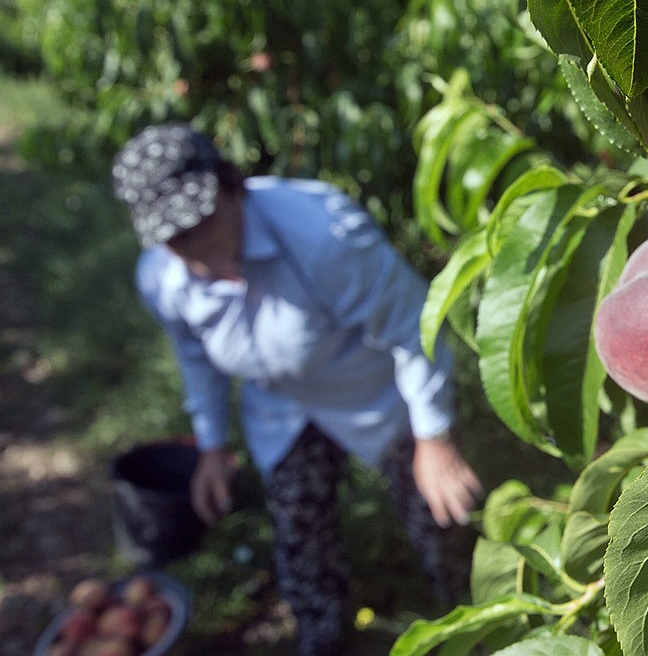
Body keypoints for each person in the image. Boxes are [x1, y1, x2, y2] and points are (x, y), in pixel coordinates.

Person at [111, 123, 483, 656]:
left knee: (442, 515)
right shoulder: (163, 280)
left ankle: (472, 624)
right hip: (282, 407)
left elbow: (410, 328)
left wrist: (435, 438)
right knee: (299, 532)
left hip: (374, 394)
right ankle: (323, 636)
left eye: (197, 223)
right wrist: (212, 445)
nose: (188, 248)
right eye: (171, 236)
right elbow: (197, 359)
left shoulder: (322, 237)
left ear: (233, 185)